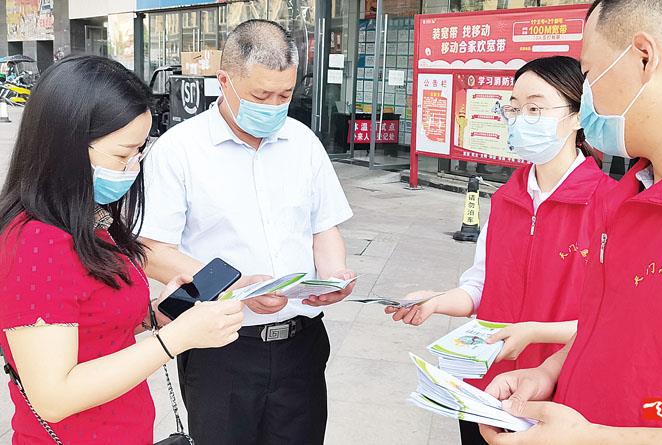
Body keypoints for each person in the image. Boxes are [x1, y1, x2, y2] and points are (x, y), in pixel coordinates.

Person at [480, 1, 662, 444]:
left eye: (588, 76)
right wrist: (550, 372)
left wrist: (594, 438)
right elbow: (610, 327)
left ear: (644, 58)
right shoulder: (628, 194)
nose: (586, 98)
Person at [0, 55, 244, 444]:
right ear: (65, 145)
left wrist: (155, 315)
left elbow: (91, 324)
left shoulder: (88, 221)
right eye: (120, 155)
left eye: (137, 154)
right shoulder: (37, 242)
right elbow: (53, 396)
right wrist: (175, 340)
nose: (131, 168)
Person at [139, 20, 355, 445]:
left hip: (301, 346)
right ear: (225, 81)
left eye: (285, 95)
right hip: (220, 347)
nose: (274, 106)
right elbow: (152, 249)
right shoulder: (179, 151)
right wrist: (233, 286)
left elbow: (322, 225)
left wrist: (335, 273)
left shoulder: (303, 143)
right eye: (261, 95)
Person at [386, 56, 616, 444]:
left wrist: (537, 332)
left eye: (535, 108)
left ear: (579, 116)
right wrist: (434, 302)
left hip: (556, 396)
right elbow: (480, 287)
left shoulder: (610, 205)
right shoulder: (509, 197)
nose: (521, 118)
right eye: (515, 107)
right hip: (485, 388)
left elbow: (613, 320)